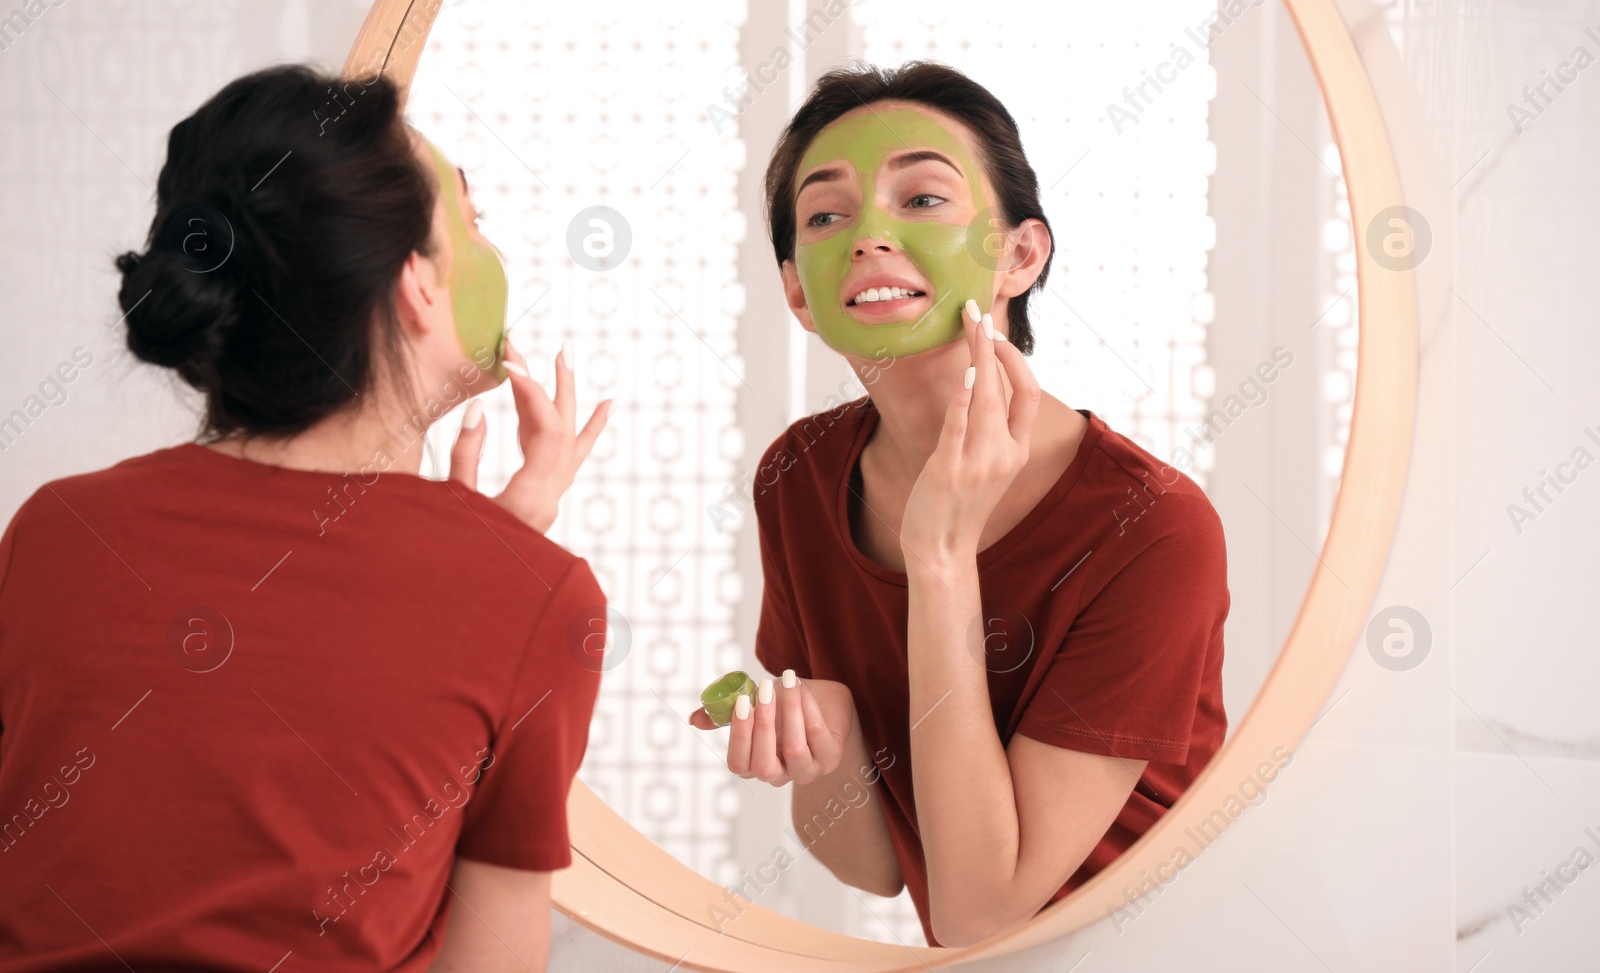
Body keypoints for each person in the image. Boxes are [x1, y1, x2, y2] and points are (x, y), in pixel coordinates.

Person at [0, 65, 610, 972]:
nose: (493, 253)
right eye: (472, 225)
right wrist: (503, 580)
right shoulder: (537, 595)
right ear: (416, 286)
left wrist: (490, 567)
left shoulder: (52, 533)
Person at [691, 62, 1230, 947]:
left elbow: (984, 908)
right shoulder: (798, 473)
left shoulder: (1155, 527)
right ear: (798, 290)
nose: (867, 235)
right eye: (826, 215)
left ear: (1021, 253)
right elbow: (876, 866)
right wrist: (825, 741)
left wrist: (941, 556)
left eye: (923, 199)